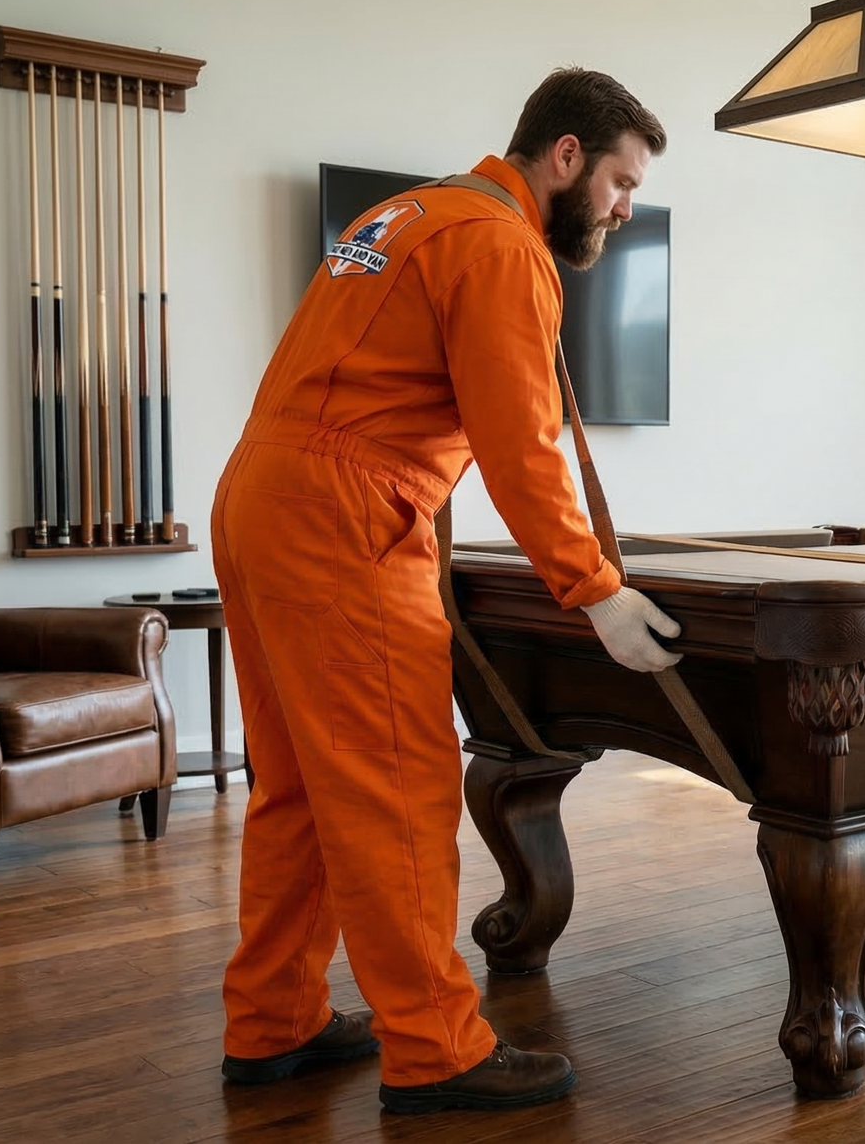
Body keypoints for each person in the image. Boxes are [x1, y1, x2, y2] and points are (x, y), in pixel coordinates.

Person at [211, 68, 681, 1116]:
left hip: (259, 494)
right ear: (565, 155)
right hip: (340, 514)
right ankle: (433, 1049)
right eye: (618, 180)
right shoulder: (503, 243)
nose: (623, 206)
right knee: (394, 789)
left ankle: (273, 1020)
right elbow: (522, 440)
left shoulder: (406, 210)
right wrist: (593, 586)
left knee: (298, 785)